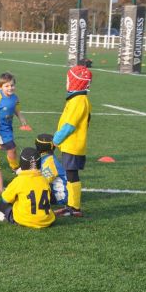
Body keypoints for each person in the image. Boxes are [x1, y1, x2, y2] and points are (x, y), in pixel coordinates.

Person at [52, 60, 93, 217]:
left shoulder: (79, 101)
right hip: (70, 144)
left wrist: (56, 139)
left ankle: (74, 208)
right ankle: (70, 205)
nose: (67, 81)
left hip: (73, 144)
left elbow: (70, 125)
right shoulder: (77, 99)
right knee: (70, 174)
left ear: (76, 81)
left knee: (72, 174)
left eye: (69, 79)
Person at [0, 147, 55, 229]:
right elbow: (52, 199)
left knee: (3, 205)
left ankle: (4, 217)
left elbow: (5, 199)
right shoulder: (44, 180)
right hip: (47, 221)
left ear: (22, 163)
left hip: (25, 220)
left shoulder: (19, 180)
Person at [0, 72, 29, 172]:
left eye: (12, 85)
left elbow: (16, 109)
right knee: (11, 148)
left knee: (4, 145)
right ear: (0, 87)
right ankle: (15, 168)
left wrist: (21, 118)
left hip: (8, 126)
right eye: (6, 86)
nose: (10, 88)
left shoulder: (14, 98)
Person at [35, 133, 68, 207]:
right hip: (56, 193)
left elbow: (44, 181)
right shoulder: (47, 157)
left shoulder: (50, 162)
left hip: (59, 198)